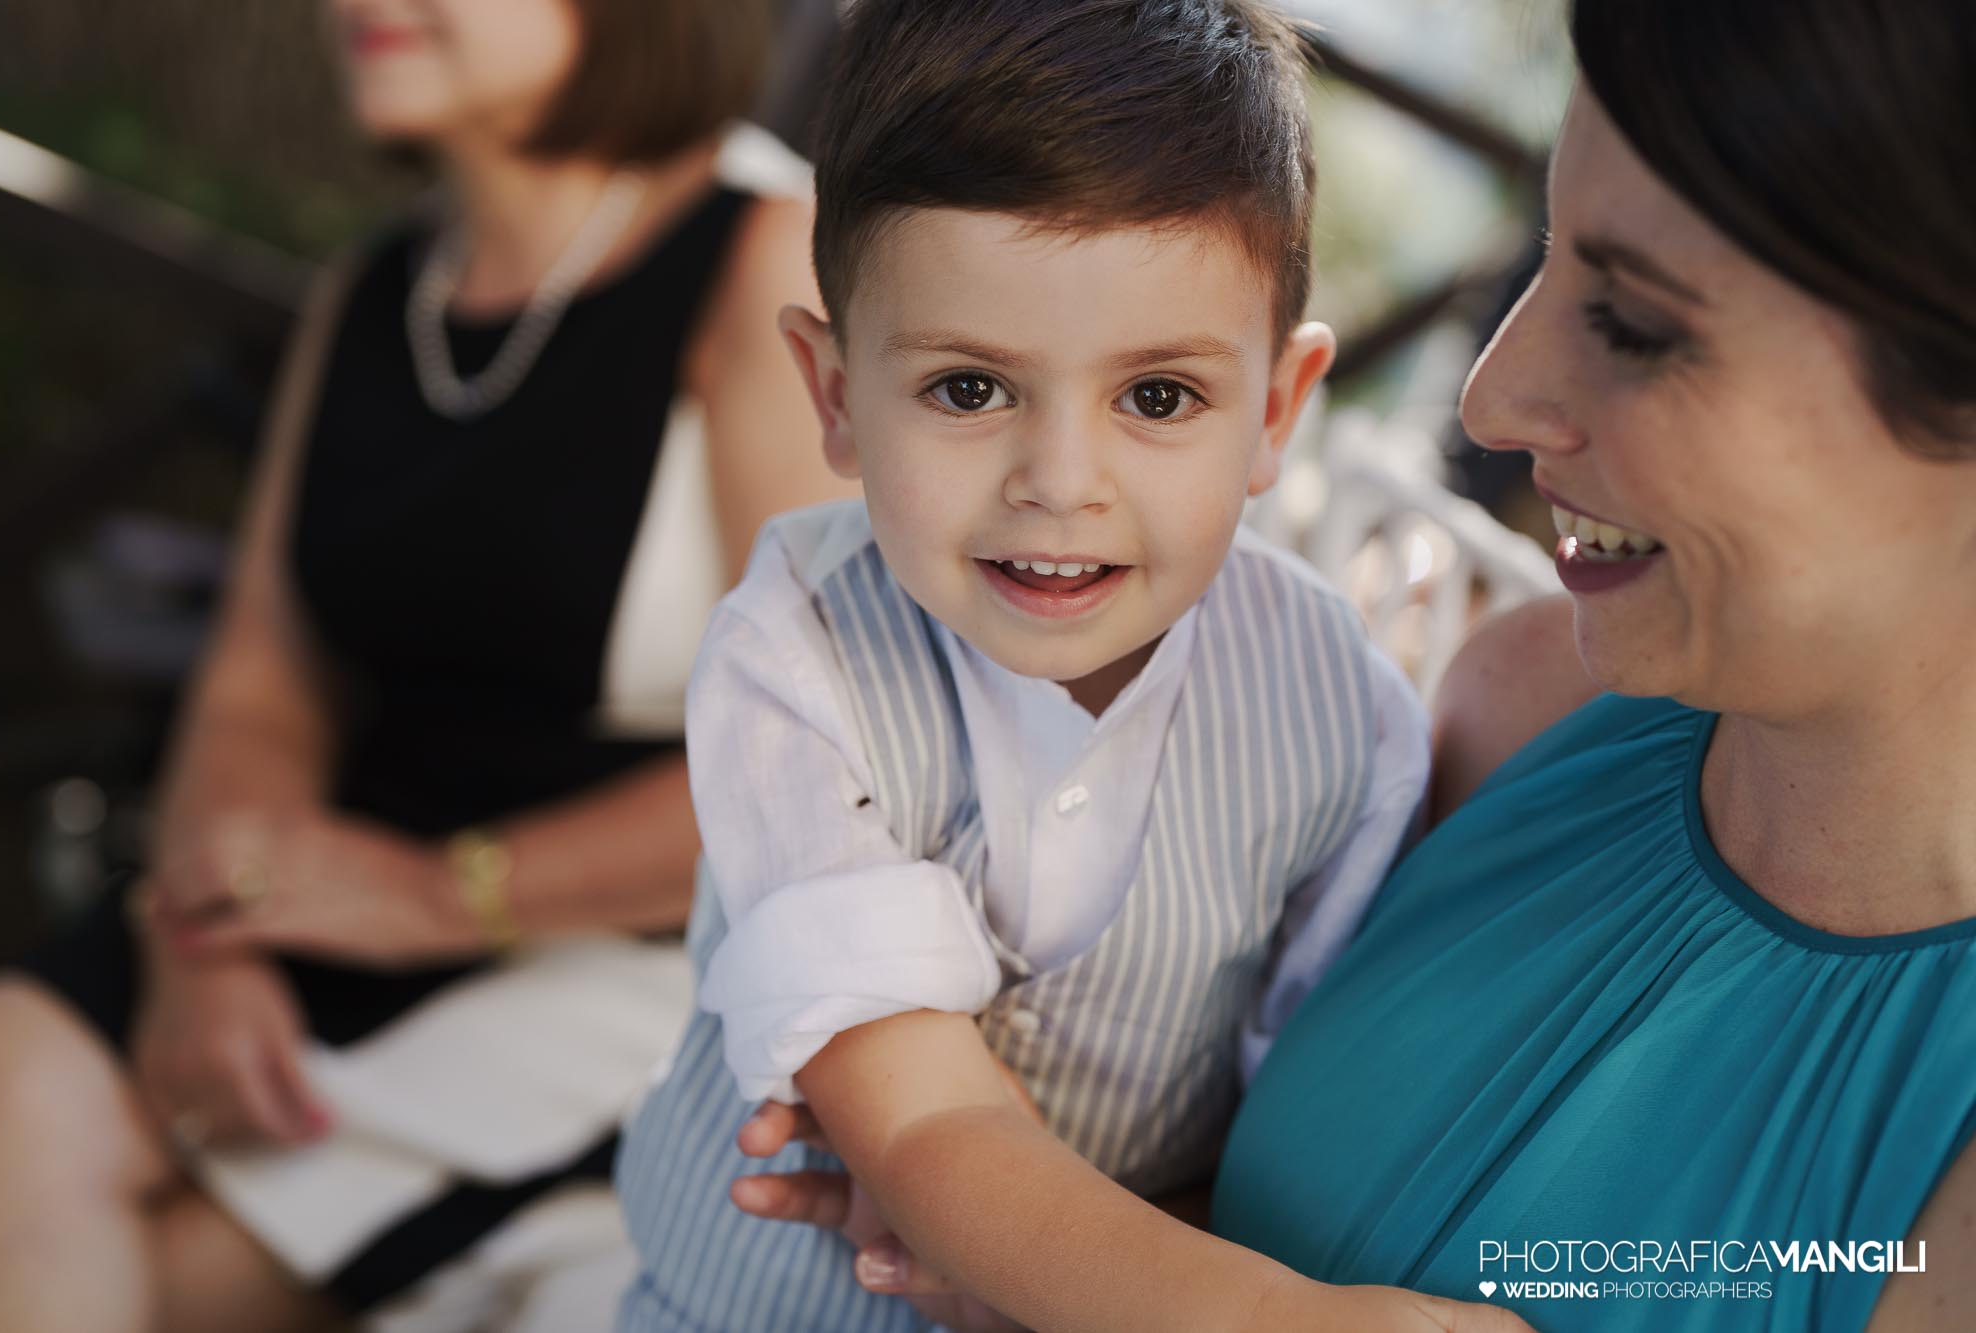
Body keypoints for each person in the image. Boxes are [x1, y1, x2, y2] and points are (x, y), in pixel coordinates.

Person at [735, 0, 1976, 1328]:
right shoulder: (1518, 705)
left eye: (1632, 321)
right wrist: (1021, 1245)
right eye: (1542, 260)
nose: (1490, 399)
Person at [611, 2, 1537, 1330]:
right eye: (969, 389)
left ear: (1276, 410)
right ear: (834, 395)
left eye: (1157, 397)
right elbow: (922, 1116)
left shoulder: (1339, 708)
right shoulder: (795, 654)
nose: (1060, 485)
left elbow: (1305, 1097)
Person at [0, 0, 850, 1328]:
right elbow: (264, 679)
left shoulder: (764, 257)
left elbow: (829, 762)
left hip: (613, 951)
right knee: (2, 1072)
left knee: (166, 1279)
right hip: (324, 896)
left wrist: (443, 893)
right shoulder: (375, 289)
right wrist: (201, 942)